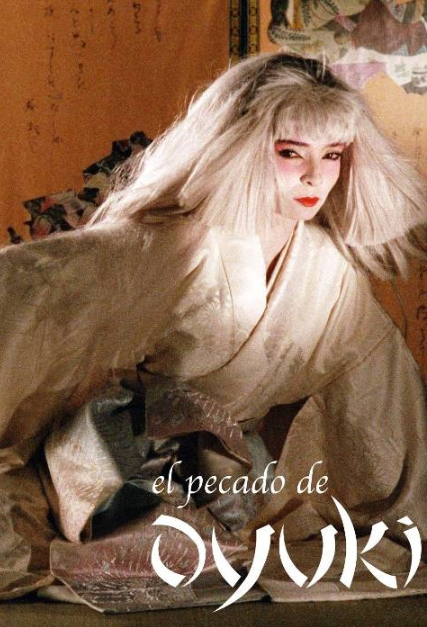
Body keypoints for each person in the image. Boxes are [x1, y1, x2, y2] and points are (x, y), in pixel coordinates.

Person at [1, 53, 427, 612]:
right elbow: (33, 287)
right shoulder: (166, 249)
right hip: (110, 470)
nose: (313, 176)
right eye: (290, 152)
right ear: (242, 146)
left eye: (332, 155)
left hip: (227, 483)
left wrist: (400, 514)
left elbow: (377, 395)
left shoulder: (328, 271)